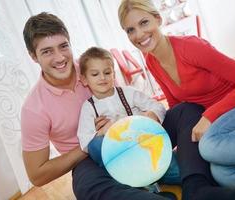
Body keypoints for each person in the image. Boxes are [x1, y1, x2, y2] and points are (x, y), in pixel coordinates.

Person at [118, 0, 235, 200]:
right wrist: (183, 148)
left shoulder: (190, 47)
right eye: (130, 30)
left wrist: (209, 116)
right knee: (223, 175)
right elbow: (180, 108)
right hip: (231, 120)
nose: (139, 34)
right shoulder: (152, 62)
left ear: (158, 19)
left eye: (144, 23)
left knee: (209, 145)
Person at [21, 11, 182, 200]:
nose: (59, 58)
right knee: (87, 187)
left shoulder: (94, 67)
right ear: (33, 56)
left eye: (63, 46)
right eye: (47, 51)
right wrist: (93, 141)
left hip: (135, 133)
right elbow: (37, 175)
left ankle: (195, 182)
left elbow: (130, 100)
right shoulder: (33, 109)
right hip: (89, 159)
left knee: (184, 111)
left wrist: (144, 119)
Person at [76, 46, 180, 187]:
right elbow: (85, 142)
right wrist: (102, 131)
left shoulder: (129, 93)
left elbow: (157, 106)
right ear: (84, 79)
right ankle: (139, 185)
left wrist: (151, 115)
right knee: (95, 145)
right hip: (122, 161)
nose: (102, 78)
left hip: (148, 150)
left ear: (114, 74)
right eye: (95, 74)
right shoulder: (88, 108)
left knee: (179, 173)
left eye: (107, 72)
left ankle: (155, 180)